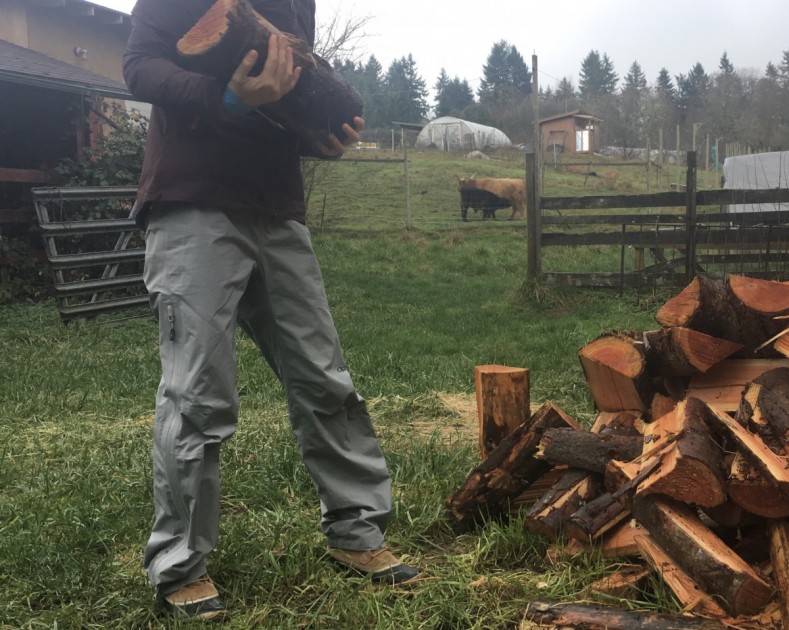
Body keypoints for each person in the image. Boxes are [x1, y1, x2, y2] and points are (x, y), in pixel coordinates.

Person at [123, 0, 420, 621]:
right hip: (192, 200)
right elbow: (138, 66)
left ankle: (356, 533)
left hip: (277, 208)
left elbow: (283, 101)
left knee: (323, 375)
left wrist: (319, 137)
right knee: (197, 390)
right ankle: (179, 564)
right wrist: (224, 101)